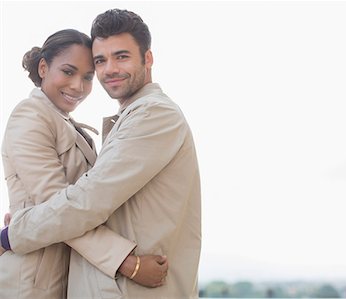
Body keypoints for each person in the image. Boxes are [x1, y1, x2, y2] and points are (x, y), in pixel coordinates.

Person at [1, 8, 202, 299]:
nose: (109, 70)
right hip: (34, 281)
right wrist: (127, 263)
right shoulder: (32, 116)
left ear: (148, 58)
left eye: (121, 56)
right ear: (43, 68)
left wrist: (12, 233)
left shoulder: (152, 114)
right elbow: (72, 202)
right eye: (101, 61)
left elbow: (83, 203)